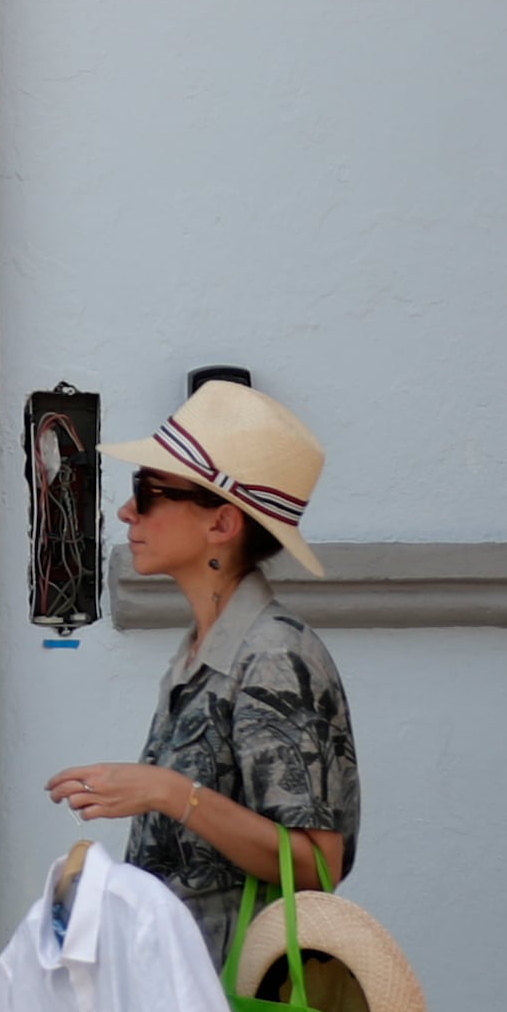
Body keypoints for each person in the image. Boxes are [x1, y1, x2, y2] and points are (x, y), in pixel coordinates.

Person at [45, 376, 357, 955]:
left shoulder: (274, 656)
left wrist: (170, 792)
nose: (126, 510)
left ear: (221, 524)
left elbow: (316, 863)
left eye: (150, 490)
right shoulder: (209, 648)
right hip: (183, 1003)